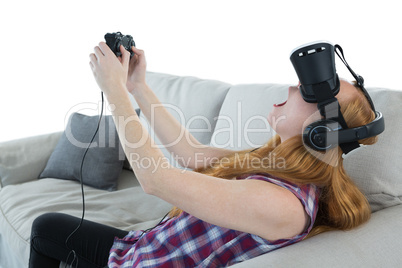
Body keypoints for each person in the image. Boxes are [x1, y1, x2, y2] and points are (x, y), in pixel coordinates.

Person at [29, 42, 378, 268]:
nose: (289, 88)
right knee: (50, 226)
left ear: (323, 131)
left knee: (46, 230)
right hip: (140, 247)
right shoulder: (274, 166)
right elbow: (192, 155)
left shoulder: (285, 204)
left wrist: (115, 91)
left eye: (304, 93)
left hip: (142, 263)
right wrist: (137, 86)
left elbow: (155, 179)